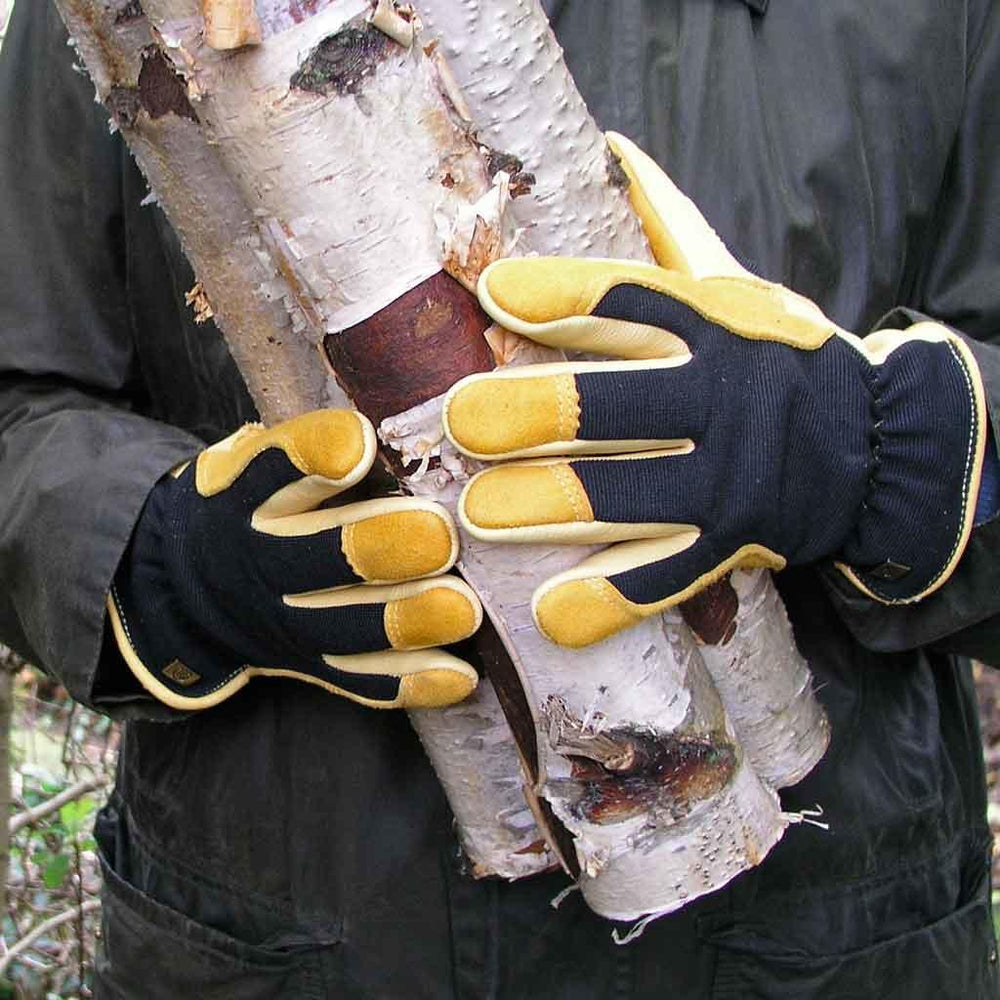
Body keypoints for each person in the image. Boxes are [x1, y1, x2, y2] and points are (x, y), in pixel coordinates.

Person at [2, 0, 999, 996]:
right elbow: (19, 402)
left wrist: (894, 446)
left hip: (818, 938)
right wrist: (162, 567)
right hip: (294, 940)